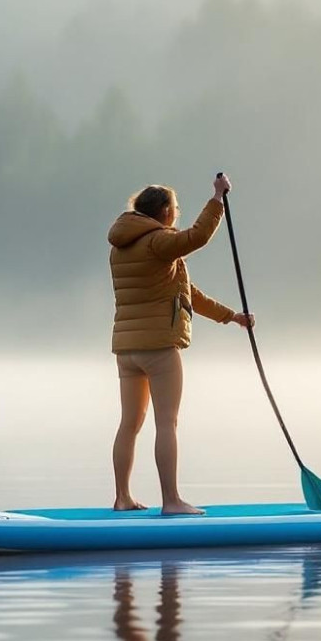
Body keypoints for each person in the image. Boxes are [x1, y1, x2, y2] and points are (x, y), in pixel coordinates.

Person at [107, 173, 253, 516]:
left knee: (129, 424)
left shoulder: (121, 247)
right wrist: (217, 197)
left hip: (127, 349)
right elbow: (199, 236)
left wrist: (231, 316)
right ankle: (171, 501)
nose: (177, 213)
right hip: (158, 348)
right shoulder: (158, 241)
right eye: (175, 207)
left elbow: (188, 294)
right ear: (164, 212)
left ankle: (122, 498)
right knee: (166, 423)